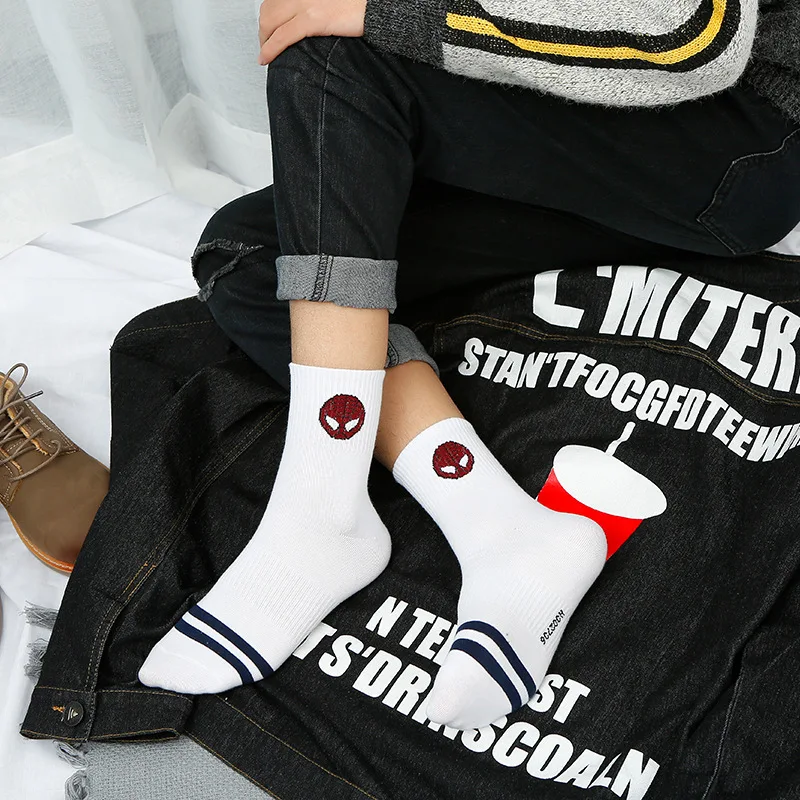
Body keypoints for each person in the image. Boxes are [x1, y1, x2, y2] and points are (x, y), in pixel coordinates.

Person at [139, 0, 800, 731]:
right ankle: (496, 526)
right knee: (249, 255)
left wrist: (392, 14)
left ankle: (317, 509)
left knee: (329, 56)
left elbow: (691, 34)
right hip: (561, 87)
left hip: (732, 136)